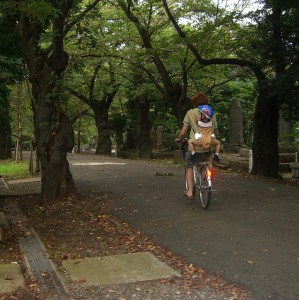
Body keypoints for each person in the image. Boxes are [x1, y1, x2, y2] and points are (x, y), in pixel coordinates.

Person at [176, 92, 220, 199]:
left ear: (194, 102)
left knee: (190, 166)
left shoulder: (190, 113)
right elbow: (216, 132)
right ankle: (208, 172)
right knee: (208, 157)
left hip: (196, 146)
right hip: (208, 145)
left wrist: (179, 139)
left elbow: (183, 132)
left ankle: (190, 191)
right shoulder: (211, 113)